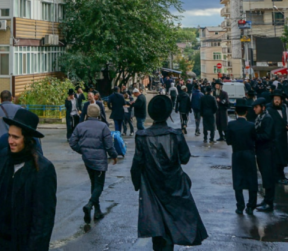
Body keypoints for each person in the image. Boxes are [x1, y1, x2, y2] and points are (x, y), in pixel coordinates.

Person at [0, 109, 58, 250]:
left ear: (27, 139)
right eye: (9, 136)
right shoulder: (4, 158)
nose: (10, 141)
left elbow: (42, 223)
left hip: (24, 244)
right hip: (1, 243)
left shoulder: (43, 170)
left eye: (16, 137)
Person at [131, 95, 207, 251]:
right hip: (174, 185)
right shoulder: (175, 134)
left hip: (152, 185)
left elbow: (137, 164)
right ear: (167, 113)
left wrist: (137, 184)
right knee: (173, 223)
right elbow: (185, 158)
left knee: (156, 224)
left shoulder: (142, 136)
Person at [70, 104, 118, 223]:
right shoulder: (103, 127)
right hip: (99, 160)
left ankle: (97, 211)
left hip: (87, 159)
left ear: (87, 114)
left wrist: (82, 151)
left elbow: (72, 142)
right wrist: (114, 156)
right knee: (99, 185)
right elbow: (109, 145)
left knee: (94, 183)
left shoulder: (80, 126)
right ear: (99, 114)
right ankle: (90, 205)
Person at [226, 99, 257, 215]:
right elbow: (255, 139)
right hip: (249, 153)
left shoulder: (231, 125)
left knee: (238, 180)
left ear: (236, 112)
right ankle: (251, 206)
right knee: (252, 180)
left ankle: (240, 206)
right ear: (246, 112)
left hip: (237, 153)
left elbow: (228, 141)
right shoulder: (251, 125)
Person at [252, 98, 276, 212]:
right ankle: (266, 199)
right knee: (264, 175)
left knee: (268, 176)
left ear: (263, 107)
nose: (254, 109)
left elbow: (267, 135)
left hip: (267, 151)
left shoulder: (267, 119)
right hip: (261, 151)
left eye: (256, 107)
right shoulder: (259, 118)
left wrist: (254, 137)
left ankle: (269, 202)